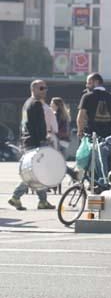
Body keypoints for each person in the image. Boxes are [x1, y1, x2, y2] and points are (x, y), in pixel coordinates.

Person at [8, 80, 57, 210]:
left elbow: (24, 124)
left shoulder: (27, 103)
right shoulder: (36, 104)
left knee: (37, 172)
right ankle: (16, 196)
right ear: (33, 89)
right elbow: (40, 126)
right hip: (35, 143)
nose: (44, 90)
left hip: (27, 141)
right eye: (41, 88)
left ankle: (42, 201)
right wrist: (44, 140)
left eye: (45, 88)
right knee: (34, 173)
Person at [77, 73, 111, 142]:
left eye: (89, 83)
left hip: (90, 136)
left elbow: (81, 116)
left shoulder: (87, 96)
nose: (86, 86)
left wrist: (80, 131)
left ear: (96, 82)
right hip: (108, 137)